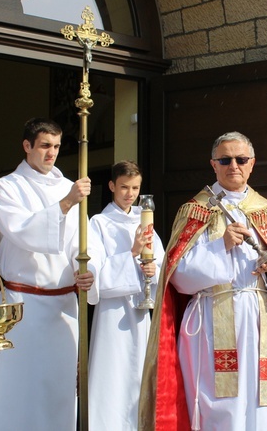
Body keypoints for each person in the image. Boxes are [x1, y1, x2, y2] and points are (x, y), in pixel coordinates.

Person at [139, 132, 267, 431]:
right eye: (225, 159)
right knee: (217, 408)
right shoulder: (196, 210)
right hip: (210, 322)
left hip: (260, 322)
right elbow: (176, 278)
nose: (234, 165)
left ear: (252, 164)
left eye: (241, 159)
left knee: (261, 406)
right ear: (213, 165)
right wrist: (221, 246)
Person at [0, 117, 97, 431]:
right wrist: (67, 203)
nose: (52, 153)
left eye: (57, 146)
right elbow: (22, 230)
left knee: (58, 392)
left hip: (62, 308)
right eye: (45, 145)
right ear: (27, 145)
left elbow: (82, 241)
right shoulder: (6, 187)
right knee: (16, 389)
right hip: (22, 305)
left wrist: (87, 271)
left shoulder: (67, 186)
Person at [87, 160, 165, 430]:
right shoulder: (99, 223)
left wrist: (153, 270)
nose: (129, 194)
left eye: (135, 188)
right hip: (113, 312)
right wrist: (132, 252)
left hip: (141, 312)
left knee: (139, 376)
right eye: (124, 187)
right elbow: (95, 273)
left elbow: (162, 267)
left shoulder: (145, 221)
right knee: (112, 375)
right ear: (112, 186)